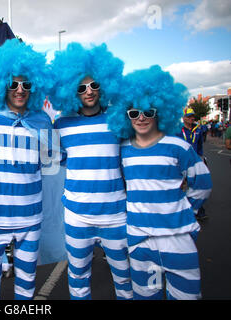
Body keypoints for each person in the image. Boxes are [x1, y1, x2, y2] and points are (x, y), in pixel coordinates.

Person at [107, 65, 212, 299]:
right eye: (134, 113)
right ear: (126, 116)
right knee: (147, 295)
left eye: (148, 111)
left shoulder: (179, 147)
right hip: (141, 242)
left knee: (186, 296)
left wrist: (188, 211)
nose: (141, 117)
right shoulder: (123, 150)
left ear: (160, 111)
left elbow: (202, 183)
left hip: (177, 240)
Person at [50, 42, 133, 300]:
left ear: (104, 85)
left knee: (124, 277)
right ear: (71, 90)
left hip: (115, 215)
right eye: (82, 87)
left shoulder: (118, 120)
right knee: (77, 277)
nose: (89, 91)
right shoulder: (61, 124)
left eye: (95, 85)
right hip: (77, 215)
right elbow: (57, 161)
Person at [0, 38, 53, 300]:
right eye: (13, 84)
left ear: (34, 87)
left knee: (27, 284)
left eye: (26, 84)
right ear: (2, 84)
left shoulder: (42, 121)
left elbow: (51, 167)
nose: (20, 89)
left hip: (31, 218)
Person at [177, 108, 208, 221]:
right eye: (189, 116)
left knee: (197, 185)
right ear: (184, 117)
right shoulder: (177, 130)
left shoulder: (198, 129)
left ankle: (199, 211)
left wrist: (201, 158)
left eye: (192, 116)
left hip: (195, 162)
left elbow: (200, 146)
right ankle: (182, 211)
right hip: (181, 162)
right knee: (181, 186)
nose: (191, 118)